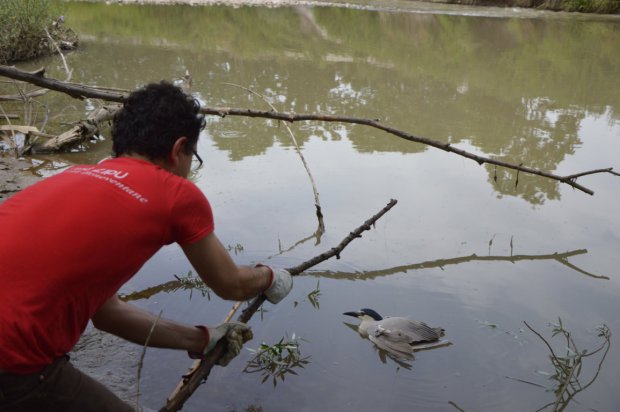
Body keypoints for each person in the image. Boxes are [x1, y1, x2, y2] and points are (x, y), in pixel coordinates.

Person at [0, 82, 293, 412]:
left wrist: (203, 339)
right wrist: (271, 277)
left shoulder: (73, 175)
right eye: (192, 157)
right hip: (13, 359)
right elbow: (231, 284)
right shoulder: (176, 194)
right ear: (178, 148)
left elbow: (108, 314)